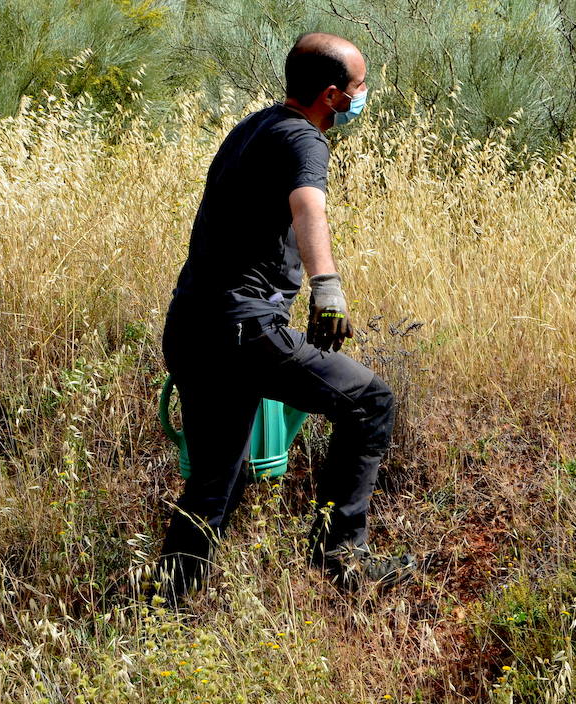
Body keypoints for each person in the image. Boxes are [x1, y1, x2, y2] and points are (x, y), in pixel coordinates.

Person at [154, 32, 415, 604]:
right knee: (370, 402)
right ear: (330, 94)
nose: (363, 94)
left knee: (216, 480)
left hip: (193, 323)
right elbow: (308, 206)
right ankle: (342, 557)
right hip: (243, 330)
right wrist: (327, 289)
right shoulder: (304, 141)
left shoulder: (252, 127)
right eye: (358, 86)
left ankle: (162, 610)